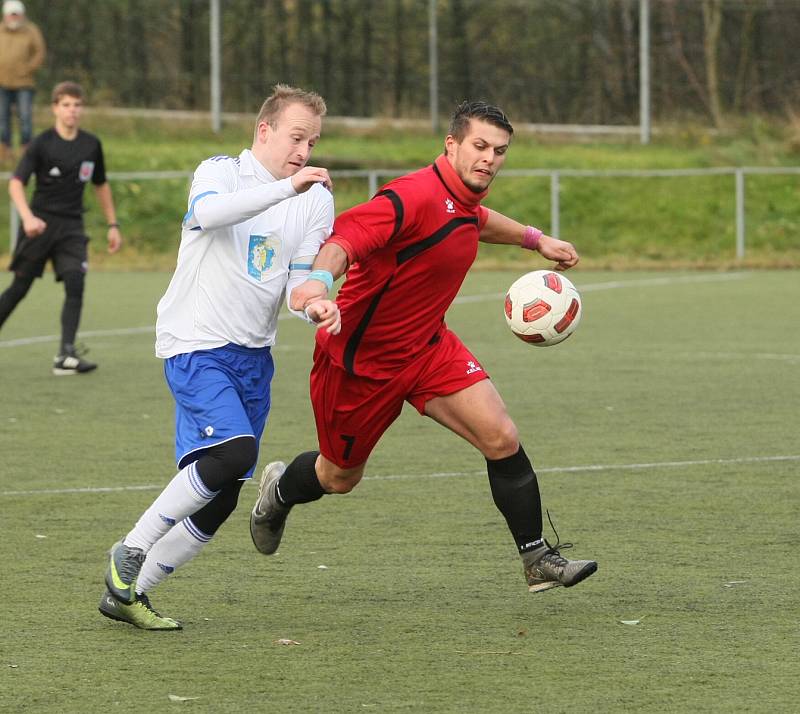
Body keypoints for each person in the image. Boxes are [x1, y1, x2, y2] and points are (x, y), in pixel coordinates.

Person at [250, 100, 598, 594]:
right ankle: (281, 490)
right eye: (479, 146)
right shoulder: (410, 196)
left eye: (499, 151)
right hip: (360, 366)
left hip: (429, 347)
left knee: (501, 436)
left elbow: (474, 220)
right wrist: (317, 282)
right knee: (338, 476)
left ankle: (536, 556)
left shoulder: (463, 198)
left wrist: (534, 239)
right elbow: (347, 235)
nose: (489, 158)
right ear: (451, 144)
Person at [99, 84, 340, 630]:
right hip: (196, 341)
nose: (304, 150)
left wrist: (317, 306)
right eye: (296, 137)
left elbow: (297, 282)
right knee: (234, 453)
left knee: (222, 497)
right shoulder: (219, 172)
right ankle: (129, 551)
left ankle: (129, 593)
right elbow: (210, 216)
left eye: (313, 140)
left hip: (253, 357)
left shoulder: (315, 198)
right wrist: (286, 189)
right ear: (265, 131)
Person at [0, 81, 122, 374]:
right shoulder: (42, 143)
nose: (72, 111)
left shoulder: (91, 145)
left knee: (75, 282)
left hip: (72, 227)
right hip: (40, 225)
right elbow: (16, 183)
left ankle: (65, 355)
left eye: (77, 105)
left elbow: (100, 185)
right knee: (19, 287)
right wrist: (28, 218)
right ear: (55, 108)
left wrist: (113, 224)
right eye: (66, 105)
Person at [0, 0, 46, 162]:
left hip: (24, 83)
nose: (14, 17)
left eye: (16, 14)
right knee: (2, 119)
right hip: (2, 82)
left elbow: (39, 52)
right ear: (5, 15)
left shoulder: (31, 31)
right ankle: (4, 152)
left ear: (22, 14)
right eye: (11, 14)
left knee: (25, 118)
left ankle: (27, 151)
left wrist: (27, 69)